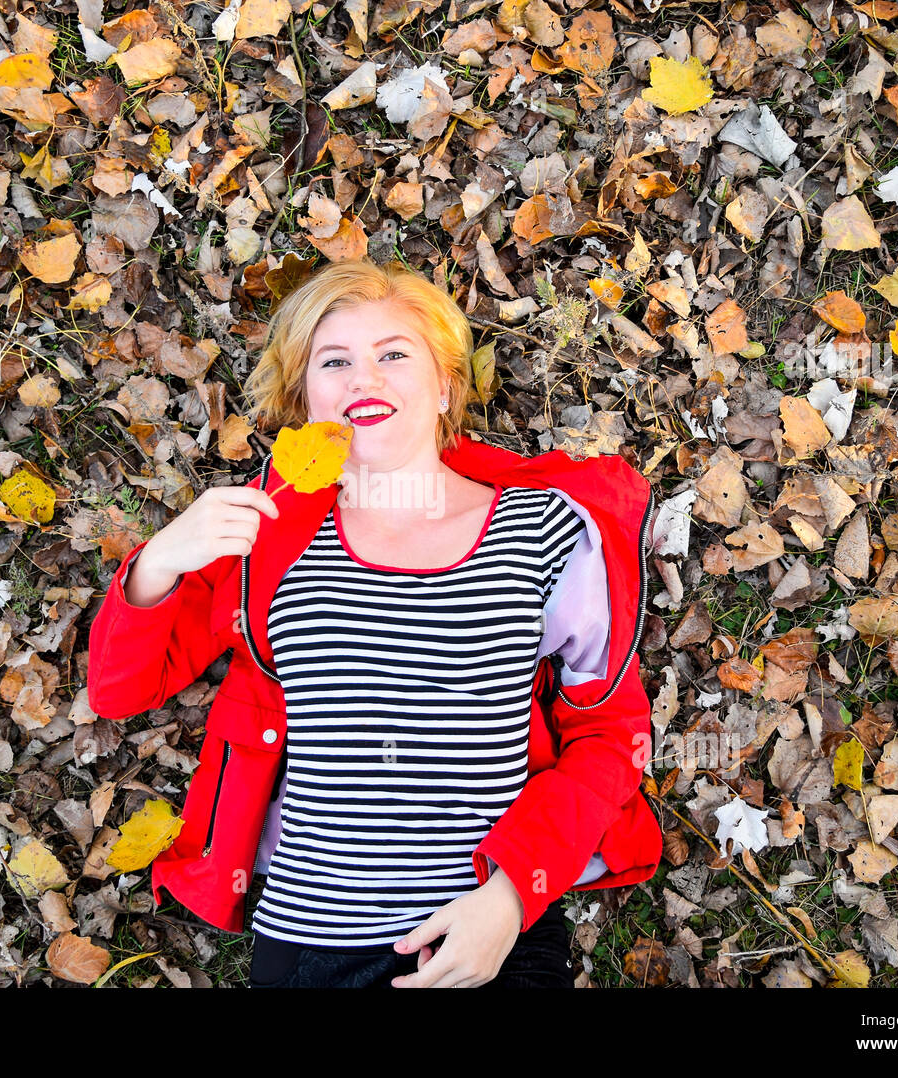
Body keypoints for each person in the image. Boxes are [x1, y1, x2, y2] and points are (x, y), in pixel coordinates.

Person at [87, 259, 661, 988]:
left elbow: (611, 736)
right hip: (310, 943)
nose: (366, 379)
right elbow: (116, 693)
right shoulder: (265, 532)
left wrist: (512, 899)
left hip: (487, 936)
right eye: (336, 362)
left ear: (446, 382)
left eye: (394, 354)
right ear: (306, 395)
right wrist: (160, 560)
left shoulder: (545, 530)